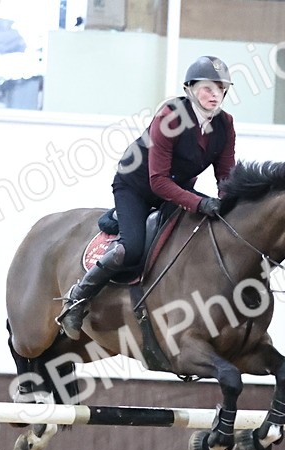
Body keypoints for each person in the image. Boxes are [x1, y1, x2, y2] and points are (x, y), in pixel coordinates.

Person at [56, 55, 237, 340]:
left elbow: (227, 176)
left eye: (221, 88)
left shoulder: (225, 124)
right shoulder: (170, 117)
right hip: (137, 186)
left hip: (176, 189)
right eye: (208, 88)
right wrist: (200, 203)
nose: (215, 94)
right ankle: (77, 298)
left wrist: (229, 204)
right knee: (132, 248)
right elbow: (158, 181)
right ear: (190, 89)